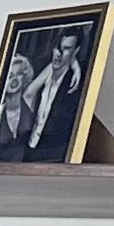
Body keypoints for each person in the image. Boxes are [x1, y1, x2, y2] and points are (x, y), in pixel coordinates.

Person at [21, 27, 85, 161]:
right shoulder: (41, 70)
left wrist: (74, 65)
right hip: (27, 151)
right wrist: (74, 63)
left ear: (76, 51)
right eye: (57, 47)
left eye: (66, 49)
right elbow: (27, 94)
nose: (59, 54)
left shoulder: (74, 86)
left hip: (51, 158)